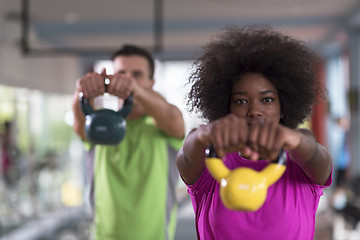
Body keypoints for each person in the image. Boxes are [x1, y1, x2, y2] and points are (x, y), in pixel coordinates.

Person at [176, 25, 333, 240]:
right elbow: (186, 154)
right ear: (227, 108)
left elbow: (314, 152)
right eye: (241, 101)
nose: (254, 111)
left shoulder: (300, 165)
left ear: (282, 107)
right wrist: (204, 135)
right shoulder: (212, 167)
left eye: (267, 99)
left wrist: (293, 138)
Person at [72, 45, 185, 240]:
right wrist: (82, 92)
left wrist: (136, 91)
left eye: (137, 74)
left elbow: (172, 116)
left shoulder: (161, 126)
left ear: (152, 82)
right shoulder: (100, 125)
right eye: (121, 73)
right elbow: (80, 122)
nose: (127, 79)